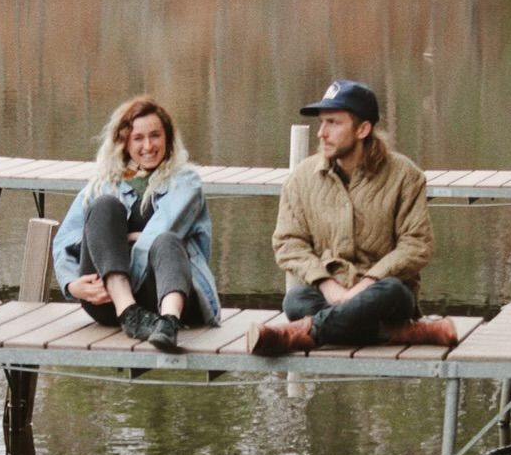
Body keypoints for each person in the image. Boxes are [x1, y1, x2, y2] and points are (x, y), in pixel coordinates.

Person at [247, 79, 456, 356]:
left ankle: (298, 333)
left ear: (362, 129)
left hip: (383, 293)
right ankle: (405, 332)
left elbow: (416, 244)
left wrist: (368, 283)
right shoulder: (301, 178)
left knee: (391, 292)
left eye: (333, 123)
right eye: (321, 123)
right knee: (295, 301)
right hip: (330, 290)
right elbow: (288, 242)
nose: (321, 133)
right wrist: (327, 285)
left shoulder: (406, 176)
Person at [51, 96, 220, 351]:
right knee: (104, 207)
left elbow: (159, 233)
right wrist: (72, 286)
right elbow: (66, 239)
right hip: (112, 303)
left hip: (168, 296)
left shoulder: (186, 182)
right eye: (138, 138)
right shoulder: (105, 183)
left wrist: (119, 241)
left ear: (168, 139)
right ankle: (129, 312)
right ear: (124, 143)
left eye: (155, 136)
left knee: (166, 241)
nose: (148, 146)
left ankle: (168, 324)